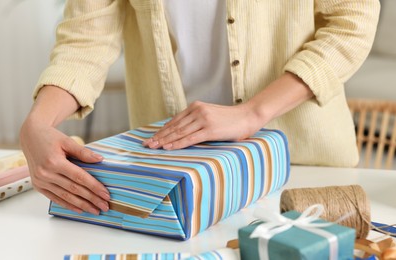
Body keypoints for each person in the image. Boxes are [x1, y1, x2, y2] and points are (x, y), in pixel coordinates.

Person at [20, 0, 380, 216]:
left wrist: (252, 112)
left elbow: (351, 23)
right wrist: (37, 124)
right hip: (174, 175)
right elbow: (86, 40)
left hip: (300, 166)